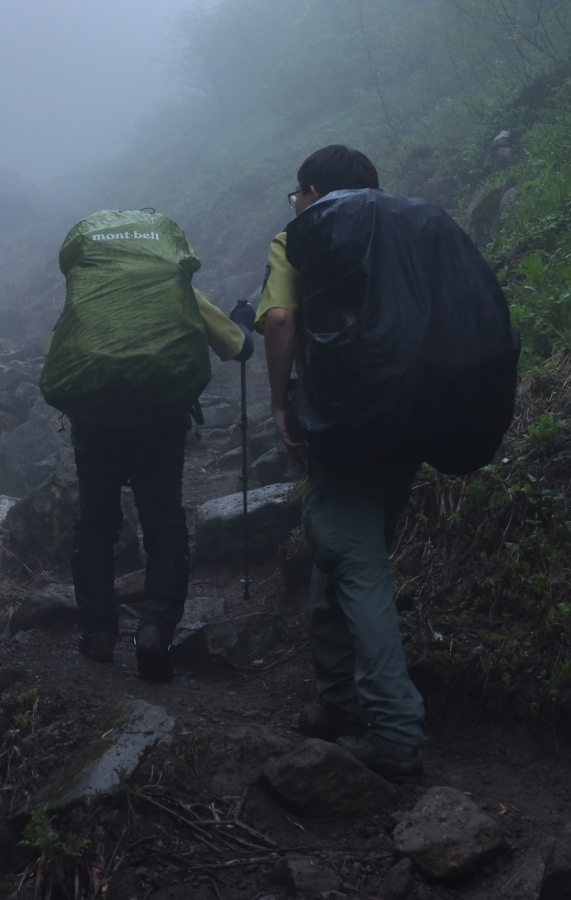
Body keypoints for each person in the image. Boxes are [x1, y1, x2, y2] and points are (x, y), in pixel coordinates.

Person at [256, 145, 427, 776]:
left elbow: (278, 319)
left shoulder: (301, 233)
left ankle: (395, 727)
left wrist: (279, 405)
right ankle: (340, 699)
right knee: (344, 543)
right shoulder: (410, 225)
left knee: (356, 561)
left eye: (296, 195)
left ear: (308, 190)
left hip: (343, 419)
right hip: (413, 414)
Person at [74, 290, 253, 682]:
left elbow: (58, 351)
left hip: (96, 420)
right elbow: (237, 347)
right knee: (165, 522)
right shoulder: (178, 284)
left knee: (96, 523)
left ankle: (100, 633)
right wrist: (243, 320)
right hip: (159, 418)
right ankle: (155, 629)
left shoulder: (90, 288)